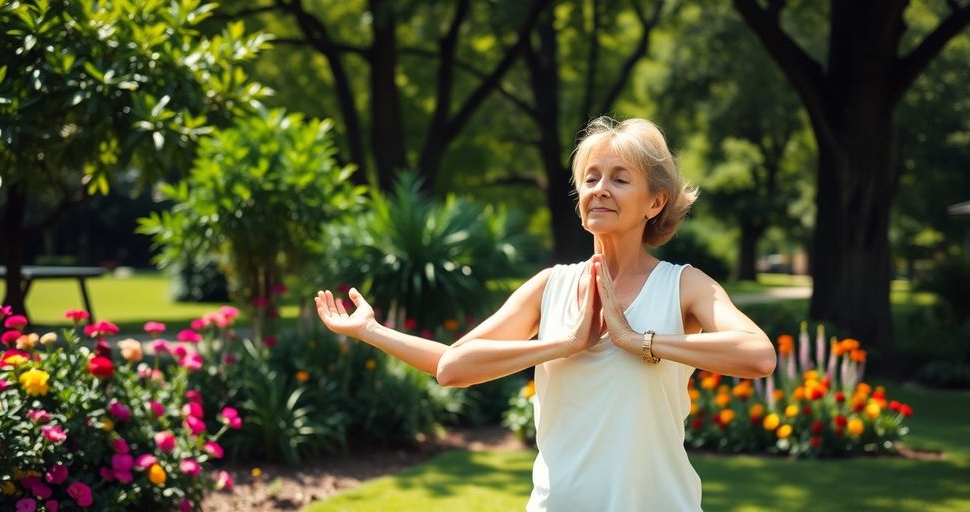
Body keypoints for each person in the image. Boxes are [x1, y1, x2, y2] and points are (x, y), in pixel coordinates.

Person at [315, 116, 776, 511]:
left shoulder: (683, 285)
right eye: (591, 178)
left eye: (619, 178)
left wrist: (638, 341)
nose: (599, 190)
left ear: (655, 203)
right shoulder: (549, 287)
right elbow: (453, 366)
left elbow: (758, 356)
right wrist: (562, 344)